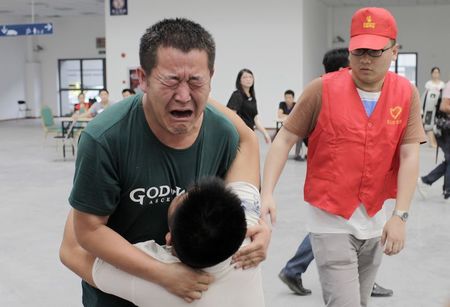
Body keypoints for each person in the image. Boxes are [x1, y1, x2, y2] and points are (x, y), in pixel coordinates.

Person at [60, 18, 270, 307]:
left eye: (196, 81)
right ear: (142, 79)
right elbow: (86, 233)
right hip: (117, 296)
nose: (183, 96)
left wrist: (256, 228)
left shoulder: (221, 132)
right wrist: (162, 274)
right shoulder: (106, 139)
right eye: (170, 80)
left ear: (211, 76)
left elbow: (229, 204)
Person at [262, 7, 425, 307]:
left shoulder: (406, 94)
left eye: (375, 51)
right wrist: (267, 192)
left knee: (360, 302)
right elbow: (284, 138)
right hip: (330, 220)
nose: (365, 58)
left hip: (375, 220)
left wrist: (400, 215)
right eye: (359, 50)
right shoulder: (321, 90)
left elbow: (410, 152)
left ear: (394, 51)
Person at [60, 109, 265, 306]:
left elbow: (72, 250)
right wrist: (198, 95)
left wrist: (90, 185)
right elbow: (247, 138)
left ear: (169, 241)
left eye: (182, 196)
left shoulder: (160, 283)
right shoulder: (247, 248)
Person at [278, 47, 393, 298]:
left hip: (357, 201)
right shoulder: (324, 95)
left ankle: (294, 268)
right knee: (334, 230)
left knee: (340, 233)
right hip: (337, 190)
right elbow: (288, 137)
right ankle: (294, 268)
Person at [417, 80, 450, 201]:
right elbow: (444, 106)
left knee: (448, 161)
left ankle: (425, 181)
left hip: (446, 129)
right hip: (444, 130)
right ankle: (447, 190)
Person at [227, 68, 271, 144]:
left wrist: (265, 133)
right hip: (239, 133)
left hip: (250, 132)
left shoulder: (252, 97)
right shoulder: (237, 95)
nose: (248, 79)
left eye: (250, 77)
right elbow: (231, 116)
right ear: (239, 81)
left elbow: (255, 119)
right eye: (245, 77)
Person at [277, 90, 305, 161]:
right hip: (285, 127)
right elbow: (279, 115)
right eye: (286, 97)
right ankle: (280, 154)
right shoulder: (282, 104)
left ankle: (297, 154)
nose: (288, 99)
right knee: (276, 136)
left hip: (294, 128)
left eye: (289, 98)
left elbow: (298, 116)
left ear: (293, 98)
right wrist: (291, 116)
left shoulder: (296, 104)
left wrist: (286, 116)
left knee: (300, 137)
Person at [423, 67, 446, 148]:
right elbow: (425, 97)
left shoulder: (442, 85)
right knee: (429, 124)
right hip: (429, 108)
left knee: (438, 124)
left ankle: (437, 142)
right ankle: (432, 142)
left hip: (438, 108)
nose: (436, 74)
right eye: (434, 72)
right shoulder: (428, 84)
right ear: (431, 73)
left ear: (439, 74)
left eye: (437, 72)